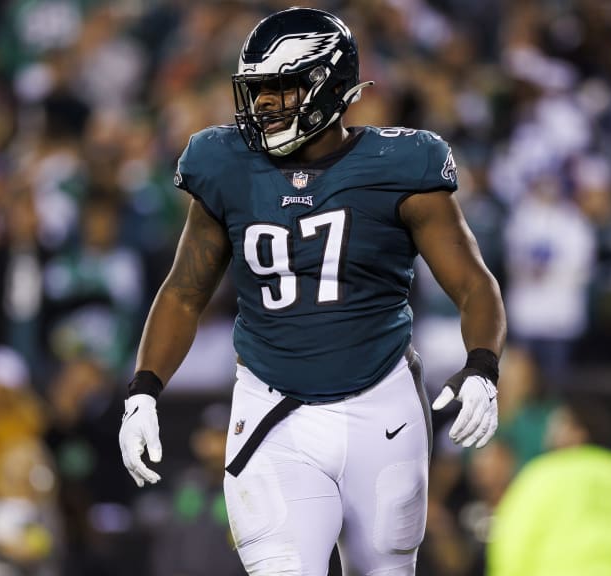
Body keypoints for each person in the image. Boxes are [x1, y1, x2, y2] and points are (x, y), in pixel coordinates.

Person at [118, 7, 506, 575]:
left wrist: (483, 366)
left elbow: (473, 283)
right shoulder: (223, 163)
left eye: (282, 88)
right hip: (274, 409)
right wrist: (144, 388)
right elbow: (183, 291)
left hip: (383, 408)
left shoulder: (400, 164)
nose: (265, 105)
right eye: (258, 91)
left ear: (330, 87)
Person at [486, 397, 611, 576]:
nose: (549, 431)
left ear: (578, 432)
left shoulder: (539, 475)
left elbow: (513, 542)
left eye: (558, 424)